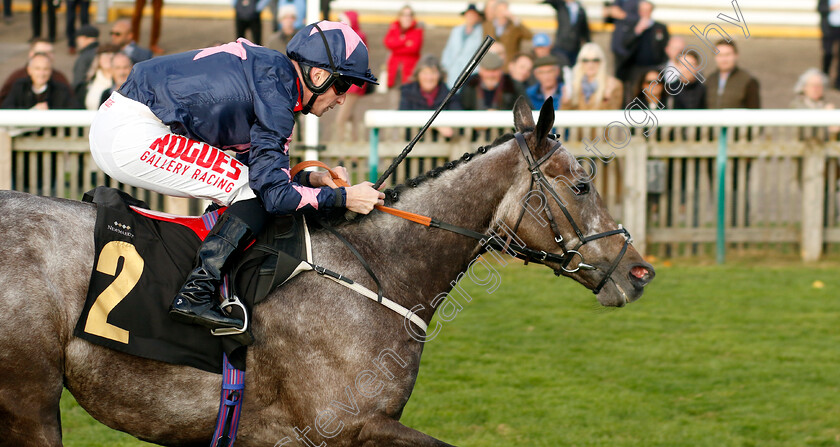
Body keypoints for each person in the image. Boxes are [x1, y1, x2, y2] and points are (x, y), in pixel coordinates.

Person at [87, 22, 384, 336]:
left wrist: (312, 178)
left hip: (124, 123)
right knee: (250, 194)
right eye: (344, 86)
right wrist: (346, 198)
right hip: (132, 133)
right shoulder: (277, 92)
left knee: (245, 186)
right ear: (319, 76)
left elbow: (258, 169)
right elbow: (272, 195)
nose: (342, 99)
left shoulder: (274, 75)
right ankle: (196, 294)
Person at [399, 55, 457, 139]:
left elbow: (457, 118)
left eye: (433, 73)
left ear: (440, 75)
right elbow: (402, 118)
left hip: (444, 146)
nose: (429, 78)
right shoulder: (407, 92)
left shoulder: (449, 94)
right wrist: (435, 124)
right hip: (413, 144)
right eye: (425, 73)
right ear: (418, 75)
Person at [619, 0, 668, 100]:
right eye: (643, 10)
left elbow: (665, 47)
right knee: (635, 93)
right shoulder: (632, 26)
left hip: (655, 68)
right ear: (639, 11)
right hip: (636, 69)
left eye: (647, 10)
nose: (645, 13)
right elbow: (625, 45)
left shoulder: (660, 27)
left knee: (656, 92)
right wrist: (636, 32)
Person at [333, 10, 369, 141]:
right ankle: (353, 150)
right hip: (351, 82)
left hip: (352, 83)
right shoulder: (352, 36)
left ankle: (341, 148)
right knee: (351, 116)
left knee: (341, 119)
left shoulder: (354, 36)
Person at [0, 39, 71, 104]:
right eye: (40, 53)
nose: (45, 56)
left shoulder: (60, 80)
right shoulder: (18, 80)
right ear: (31, 54)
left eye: (50, 53)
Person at [2, 53, 76, 109]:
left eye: (45, 69)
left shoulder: (61, 89)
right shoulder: (20, 86)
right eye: (37, 69)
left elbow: (75, 109)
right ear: (29, 70)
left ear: (51, 71)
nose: (41, 73)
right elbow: (6, 107)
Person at [562, 42, 623, 110]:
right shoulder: (574, 84)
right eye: (585, 60)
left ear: (601, 62)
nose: (590, 64)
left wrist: (607, 97)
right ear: (580, 62)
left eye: (595, 60)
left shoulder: (613, 84)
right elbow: (565, 115)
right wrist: (566, 101)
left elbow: (614, 114)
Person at [440, 3, 484, 89]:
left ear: (477, 17)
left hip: (471, 73)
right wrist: (446, 66)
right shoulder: (456, 30)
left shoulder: (481, 32)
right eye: (469, 15)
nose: (470, 17)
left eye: (473, 15)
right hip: (454, 70)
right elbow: (448, 49)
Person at [706, 40, 760, 109]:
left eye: (727, 55)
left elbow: (754, 111)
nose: (723, 59)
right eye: (719, 55)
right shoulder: (710, 80)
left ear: (736, 56)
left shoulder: (748, 81)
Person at [384, 5, 424, 89]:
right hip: (394, 68)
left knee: (409, 94)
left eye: (410, 15)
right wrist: (405, 41)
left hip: (410, 69)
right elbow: (387, 43)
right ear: (400, 16)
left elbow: (414, 49)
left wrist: (396, 45)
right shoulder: (394, 27)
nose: (407, 17)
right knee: (393, 95)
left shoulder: (417, 28)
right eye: (404, 15)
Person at [482, 0, 531, 65]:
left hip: (509, 64)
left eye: (504, 10)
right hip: (492, 63)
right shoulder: (487, 25)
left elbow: (529, 36)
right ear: (495, 11)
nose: (502, 13)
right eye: (500, 10)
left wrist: (515, 19)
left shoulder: (514, 26)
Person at [543, 0, 590, 66]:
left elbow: (585, 30)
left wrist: (588, 44)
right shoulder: (561, 5)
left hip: (575, 47)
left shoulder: (580, 9)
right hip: (561, 45)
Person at [603, 0, 639, 82]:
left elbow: (641, 19)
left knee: (630, 78)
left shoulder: (639, 2)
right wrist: (607, 13)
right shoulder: (617, 1)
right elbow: (609, 21)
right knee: (617, 76)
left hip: (630, 44)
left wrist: (623, 15)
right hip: (617, 45)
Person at [84, 44, 119, 110]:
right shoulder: (90, 81)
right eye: (105, 57)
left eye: (111, 58)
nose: (108, 60)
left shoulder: (120, 81)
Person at [72, 25, 100, 100]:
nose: (77, 41)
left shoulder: (85, 56)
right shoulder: (101, 52)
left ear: (84, 38)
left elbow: (78, 80)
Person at [819, 0, 840, 88]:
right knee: (828, 53)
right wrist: (833, 7)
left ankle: (838, 82)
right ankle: (824, 77)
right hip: (829, 28)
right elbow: (820, 9)